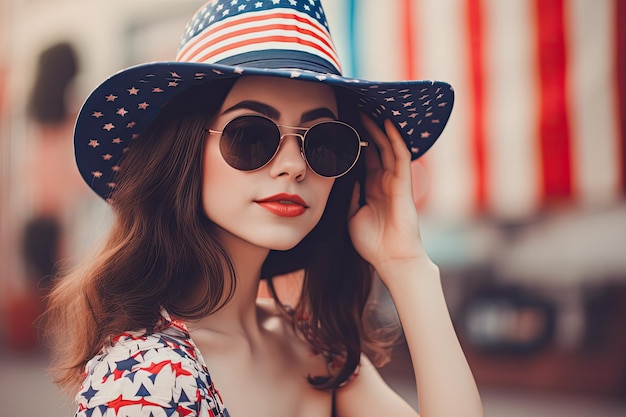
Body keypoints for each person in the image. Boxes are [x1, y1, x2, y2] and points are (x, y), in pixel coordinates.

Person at [45, 1, 484, 416]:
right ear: (184, 152)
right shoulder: (145, 378)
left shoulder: (312, 347)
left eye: (326, 143)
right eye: (251, 134)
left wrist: (408, 266)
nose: (293, 166)